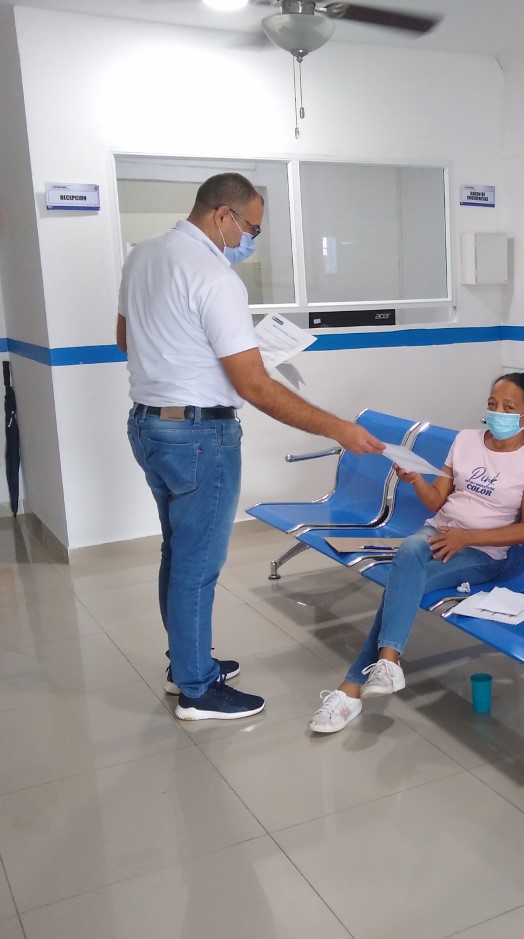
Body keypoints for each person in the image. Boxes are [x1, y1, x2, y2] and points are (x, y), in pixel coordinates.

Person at [118, 173, 383, 722]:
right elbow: (255, 387)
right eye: (251, 228)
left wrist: (194, 354)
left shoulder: (143, 255)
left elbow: (127, 338)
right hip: (200, 437)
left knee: (177, 552)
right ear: (223, 215)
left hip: (149, 425)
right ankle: (197, 690)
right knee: (197, 563)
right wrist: (337, 429)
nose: (250, 241)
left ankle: (184, 665)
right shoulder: (215, 276)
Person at [310, 373, 524, 734]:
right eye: (492, 404)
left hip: (483, 552)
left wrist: (466, 538)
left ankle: (356, 684)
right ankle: (383, 666)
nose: (497, 413)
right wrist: (416, 480)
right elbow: (437, 501)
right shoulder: (466, 440)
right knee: (412, 550)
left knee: (403, 580)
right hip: (439, 532)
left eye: (508, 407)